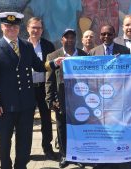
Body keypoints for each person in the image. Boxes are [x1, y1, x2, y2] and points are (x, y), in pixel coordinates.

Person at [0, 12, 62, 169]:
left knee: (25, 139)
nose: (11, 29)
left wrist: (54, 63)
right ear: (2, 27)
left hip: (26, 104)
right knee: (5, 139)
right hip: (5, 105)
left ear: (19, 28)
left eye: (14, 26)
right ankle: (5, 166)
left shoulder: (26, 46)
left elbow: (39, 66)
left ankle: (21, 165)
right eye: (8, 26)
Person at [89, 25, 129, 169]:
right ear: (100, 36)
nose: (106, 37)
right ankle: (101, 158)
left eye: (109, 34)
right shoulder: (93, 52)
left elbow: (128, 74)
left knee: (115, 129)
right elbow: (90, 77)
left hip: (117, 98)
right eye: (103, 34)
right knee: (101, 129)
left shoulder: (124, 51)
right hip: (99, 99)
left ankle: (116, 157)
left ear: (114, 34)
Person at [46, 28, 87, 168]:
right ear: (61, 39)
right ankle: (64, 155)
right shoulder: (53, 56)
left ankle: (80, 155)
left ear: (75, 39)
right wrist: (50, 100)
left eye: (72, 37)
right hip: (61, 98)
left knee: (79, 126)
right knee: (61, 127)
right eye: (66, 37)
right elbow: (50, 80)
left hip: (79, 98)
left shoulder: (83, 55)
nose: (69, 40)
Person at [26, 17, 57, 160]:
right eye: (33, 27)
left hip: (44, 88)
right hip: (27, 89)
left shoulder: (48, 46)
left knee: (46, 119)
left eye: (38, 28)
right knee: (25, 121)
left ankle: (47, 148)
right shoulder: (21, 45)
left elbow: (52, 69)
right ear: (28, 28)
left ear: (42, 30)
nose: (36, 30)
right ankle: (24, 150)